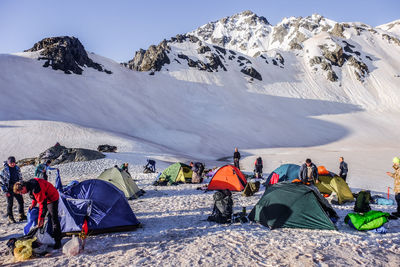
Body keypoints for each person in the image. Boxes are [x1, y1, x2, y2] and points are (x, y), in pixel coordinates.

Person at [13, 178, 62, 249]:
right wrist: (33, 204)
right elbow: (35, 197)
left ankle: (58, 241)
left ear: (23, 187)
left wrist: (41, 219)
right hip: (44, 196)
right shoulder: (29, 185)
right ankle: (48, 235)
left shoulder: (36, 188)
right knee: (47, 218)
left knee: (53, 217)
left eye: (21, 192)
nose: (21, 194)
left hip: (52, 197)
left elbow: (42, 205)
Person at [0, 156, 26, 223]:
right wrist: (5, 191)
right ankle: (10, 217)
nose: (12, 164)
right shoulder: (4, 170)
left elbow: (20, 177)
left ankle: (21, 215)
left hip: (17, 188)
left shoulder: (17, 168)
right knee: (10, 203)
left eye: (13, 162)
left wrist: (21, 185)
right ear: (8, 163)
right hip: (9, 189)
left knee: (21, 201)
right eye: (11, 163)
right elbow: (1, 182)